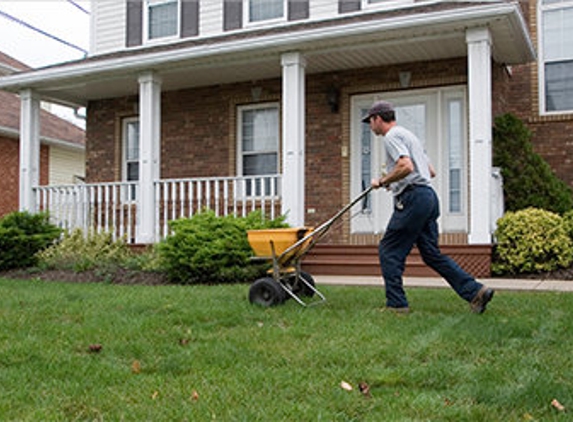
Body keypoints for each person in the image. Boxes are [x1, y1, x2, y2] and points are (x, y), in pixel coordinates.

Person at [362, 100, 494, 314]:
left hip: (413, 198)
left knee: (389, 250)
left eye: (370, 121)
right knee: (431, 254)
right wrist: (396, 182)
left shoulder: (392, 136)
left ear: (378, 119)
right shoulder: (410, 136)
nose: (370, 126)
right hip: (428, 197)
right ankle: (475, 291)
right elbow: (429, 171)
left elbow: (406, 165)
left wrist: (384, 180)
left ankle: (396, 305)